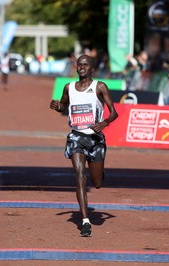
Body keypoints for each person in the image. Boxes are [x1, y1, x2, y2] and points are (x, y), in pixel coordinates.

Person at [49, 54, 118, 237]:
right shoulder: (69, 87)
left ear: (92, 68)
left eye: (85, 65)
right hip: (76, 138)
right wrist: (57, 106)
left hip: (95, 139)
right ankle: (85, 221)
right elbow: (63, 107)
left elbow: (114, 113)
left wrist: (104, 123)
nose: (81, 67)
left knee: (97, 183)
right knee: (80, 176)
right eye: (79, 65)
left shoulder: (100, 87)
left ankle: (100, 172)